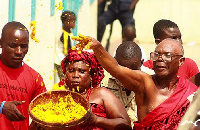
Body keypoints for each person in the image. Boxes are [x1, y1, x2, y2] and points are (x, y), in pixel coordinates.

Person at [86, 37, 198, 129]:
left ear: (181, 61)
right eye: (156, 54)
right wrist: (98, 47)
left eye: (167, 55)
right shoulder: (144, 82)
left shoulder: (190, 92)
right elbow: (116, 69)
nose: (160, 58)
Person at [54, 49, 131, 129]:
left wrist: (96, 119)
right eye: (71, 71)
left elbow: (126, 124)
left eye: (82, 71)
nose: (75, 75)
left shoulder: (102, 94)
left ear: (91, 76)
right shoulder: (59, 98)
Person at [0, 21, 46, 130]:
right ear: (1, 43)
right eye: (13, 46)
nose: (19, 51)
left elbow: (43, 115)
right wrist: (1, 107)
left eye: (24, 46)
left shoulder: (35, 78)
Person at [104, 41, 143, 126]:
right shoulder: (102, 79)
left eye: (132, 71)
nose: (127, 76)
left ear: (141, 63)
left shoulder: (151, 81)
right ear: (114, 62)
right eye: (122, 70)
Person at [54, 10, 76, 82]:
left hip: (62, 60)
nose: (74, 24)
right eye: (72, 21)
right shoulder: (65, 35)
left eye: (74, 21)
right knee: (65, 80)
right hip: (61, 60)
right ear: (66, 22)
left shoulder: (68, 32)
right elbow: (67, 50)